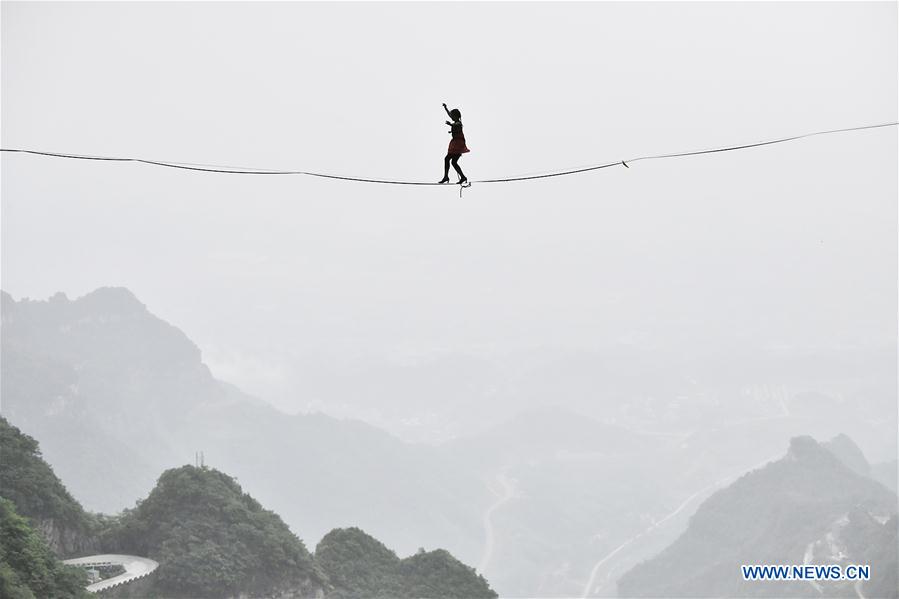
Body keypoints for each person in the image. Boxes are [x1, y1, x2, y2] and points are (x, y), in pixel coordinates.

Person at [439, 103, 469, 184]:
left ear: (456, 116)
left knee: (447, 159)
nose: (451, 117)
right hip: (456, 143)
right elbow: (450, 115)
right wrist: (446, 108)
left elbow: (456, 125)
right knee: (453, 162)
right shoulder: (456, 122)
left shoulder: (458, 123)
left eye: (453, 116)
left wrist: (450, 124)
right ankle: (462, 177)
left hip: (458, 144)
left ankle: (446, 177)